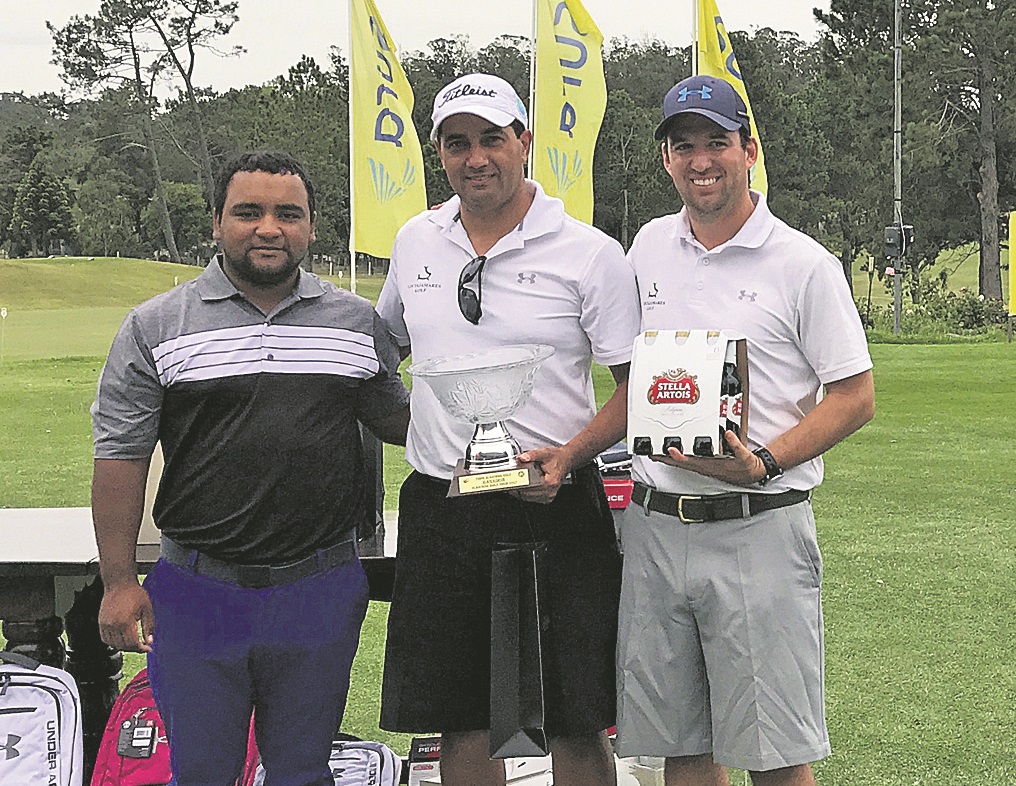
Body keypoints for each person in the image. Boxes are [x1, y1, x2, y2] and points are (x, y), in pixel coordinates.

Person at [91, 151, 410, 786]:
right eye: (249, 212)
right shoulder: (157, 325)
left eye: (289, 214)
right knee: (203, 773)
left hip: (318, 587)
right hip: (196, 591)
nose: (269, 228)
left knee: (302, 772)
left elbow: (404, 426)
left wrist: (503, 425)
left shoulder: (354, 323)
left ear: (312, 227)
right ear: (216, 223)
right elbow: (120, 456)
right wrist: (120, 583)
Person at [376, 73, 641, 786]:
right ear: (439, 153)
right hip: (443, 506)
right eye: (457, 143)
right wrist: (418, 432)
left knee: (575, 717)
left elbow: (635, 386)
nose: (476, 157)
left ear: (524, 141)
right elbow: (383, 350)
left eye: (492, 138)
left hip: (556, 503)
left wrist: (572, 455)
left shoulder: (589, 252)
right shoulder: (415, 241)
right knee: (462, 718)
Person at [615, 74, 875, 786]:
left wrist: (763, 460)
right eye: (684, 145)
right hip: (656, 522)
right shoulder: (646, 249)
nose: (701, 160)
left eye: (717, 143)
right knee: (681, 746)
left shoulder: (802, 263)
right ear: (666, 159)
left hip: (758, 522)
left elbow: (854, 395)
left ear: (749, 150)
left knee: (774, 751)